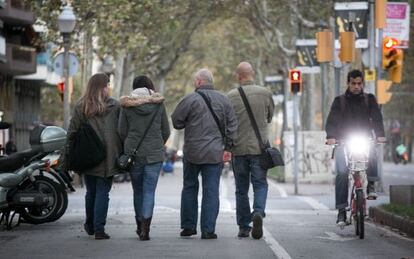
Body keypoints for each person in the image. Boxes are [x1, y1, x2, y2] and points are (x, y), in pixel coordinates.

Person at [171, 68, 237, 239]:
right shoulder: (224, 100)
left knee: (189, 188)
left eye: (195, 81)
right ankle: (208, 230)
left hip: (192, 152)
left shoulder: (189, 99)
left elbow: (177, 121)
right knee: (211, 191)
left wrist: (189, 122)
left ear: (199, 82)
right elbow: (232, 126)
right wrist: (228, 148)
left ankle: (188, 226)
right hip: (215, 153)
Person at [325, 69, 386, 226]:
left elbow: (377, 118)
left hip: (364, 139)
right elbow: (332, 119)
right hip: (343, 142)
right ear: (348, 83)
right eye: (353, 83)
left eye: (359, 83)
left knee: (373, 150)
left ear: (363, 84)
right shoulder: (340, 101)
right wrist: (331, 136)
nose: (356, 86)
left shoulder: (369, 99)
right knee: (342, 172)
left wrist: (380, 134)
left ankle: (371, 184)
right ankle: (341, 211)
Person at [66, 73, 122, 240]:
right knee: (102, 193)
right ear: (101, 87)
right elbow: (123, 130)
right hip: (108, 157)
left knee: (91, 192)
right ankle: (98, 229)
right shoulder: (115, 107)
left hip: (88, 156)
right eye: (107, 85)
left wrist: (68, 158)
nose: (108, 88)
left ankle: (90, 225)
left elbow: (72, 132)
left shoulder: (81, 106)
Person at [118, 75, 170, 241]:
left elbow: (121, 131)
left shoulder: (127, 106)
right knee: (149, 191)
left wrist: (130, 144)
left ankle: (140, 225)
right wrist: (156, 144)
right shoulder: (158, 105)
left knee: (138, 191)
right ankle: (145, 230)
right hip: (154, 155)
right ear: (150, 87)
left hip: (134, 154)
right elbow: (166, 131)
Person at [227, 62, 275, 239]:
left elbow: (227, 123)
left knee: (241, 189)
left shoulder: (230, 96)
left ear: (238, 76)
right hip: (259, 148)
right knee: (260, 184)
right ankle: (258, 212)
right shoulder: (265, 93)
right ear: (252, 73)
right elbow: (269, 117)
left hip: (238, 150)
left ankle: (243, 226)